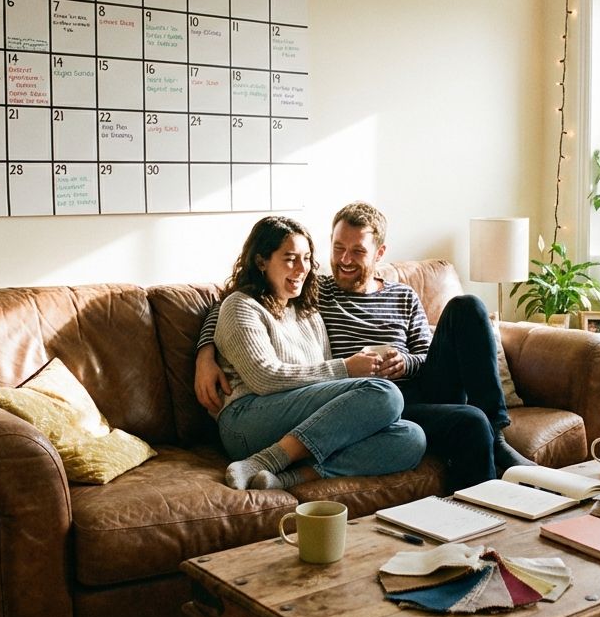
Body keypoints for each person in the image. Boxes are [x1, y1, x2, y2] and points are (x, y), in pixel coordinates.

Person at [198, 202, 533, 492]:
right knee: (464, 422)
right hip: (362, 400)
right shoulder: (318, 293)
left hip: (415, 390)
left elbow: (427, 355)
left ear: (379, 254)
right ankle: (473, 523)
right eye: (337, 248)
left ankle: (498, 436)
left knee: (468, 307)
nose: (344, 260)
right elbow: (237, 301)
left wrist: (405, 362)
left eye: (357, 251)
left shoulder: (401, 296)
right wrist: (205, 351)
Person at [211, 215, 426, 491]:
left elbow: (325, 383)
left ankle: (288, 478)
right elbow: (265, 379)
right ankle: (265, 460)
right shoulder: (241, 306)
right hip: (246, 421)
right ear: (261, 261)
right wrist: (347, 368)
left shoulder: (307, 311)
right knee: (386, 393)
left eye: (307, 258)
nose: (303, 269)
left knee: (412, 437)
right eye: (290, 259)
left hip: (300, 421)